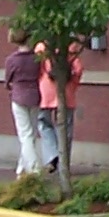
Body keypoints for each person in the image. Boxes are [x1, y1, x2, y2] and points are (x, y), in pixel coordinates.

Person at [2, 31, 44, 176]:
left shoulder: (11, 60)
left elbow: (7, 81)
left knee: (25, 135)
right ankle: (22, 168)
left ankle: (34, 169)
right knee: (31, 133)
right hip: (35, 96)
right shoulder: (37, 58)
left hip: (19, 97)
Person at [37, 43, 83, 173]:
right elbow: (78, 69)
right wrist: (73, 82)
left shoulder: (42, 47)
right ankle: (64, 162)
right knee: (65, 128)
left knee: (43, 123)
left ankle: (52, 155)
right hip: (66, 92)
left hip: (45, 91)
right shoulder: (71, 45)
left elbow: (36, 69)